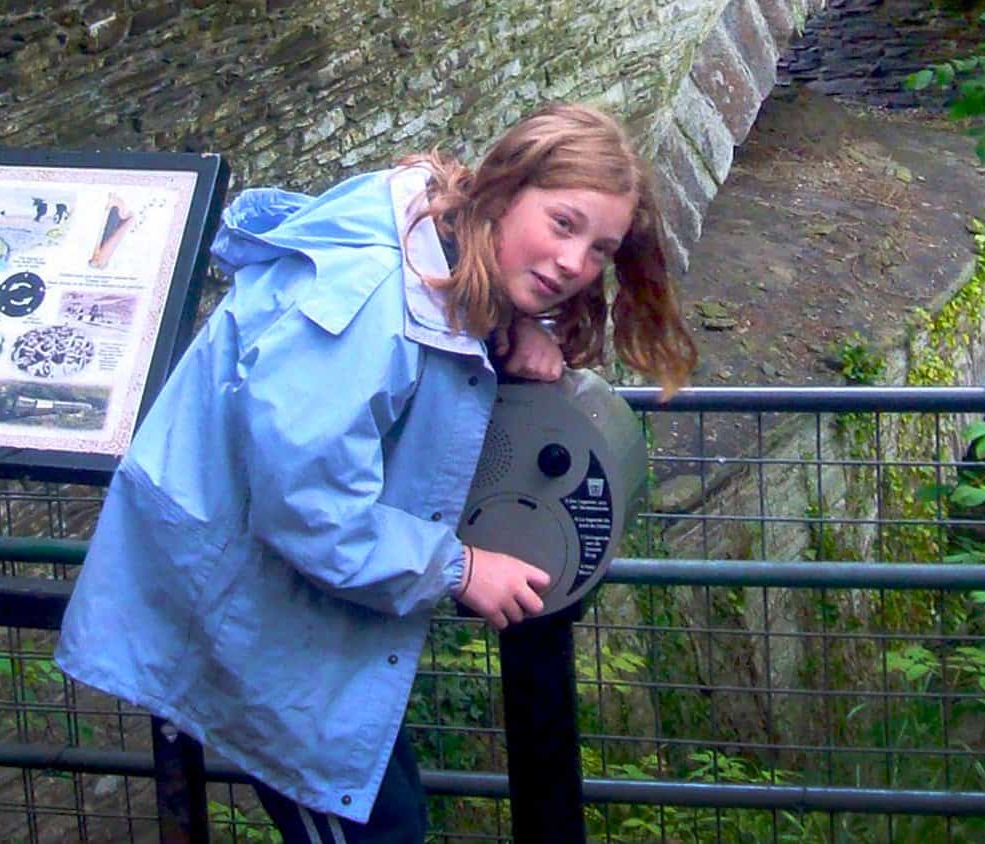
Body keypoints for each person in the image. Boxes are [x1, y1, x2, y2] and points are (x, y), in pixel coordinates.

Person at [55, 103, 698, 843]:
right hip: (249, 614)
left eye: (600, 249)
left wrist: (513, 324)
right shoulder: (367, 298)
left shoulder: (430, 243)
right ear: (505, 187)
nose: (575, 265)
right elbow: (307, 504)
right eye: (563, 224)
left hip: (290, 610)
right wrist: (459, 568)